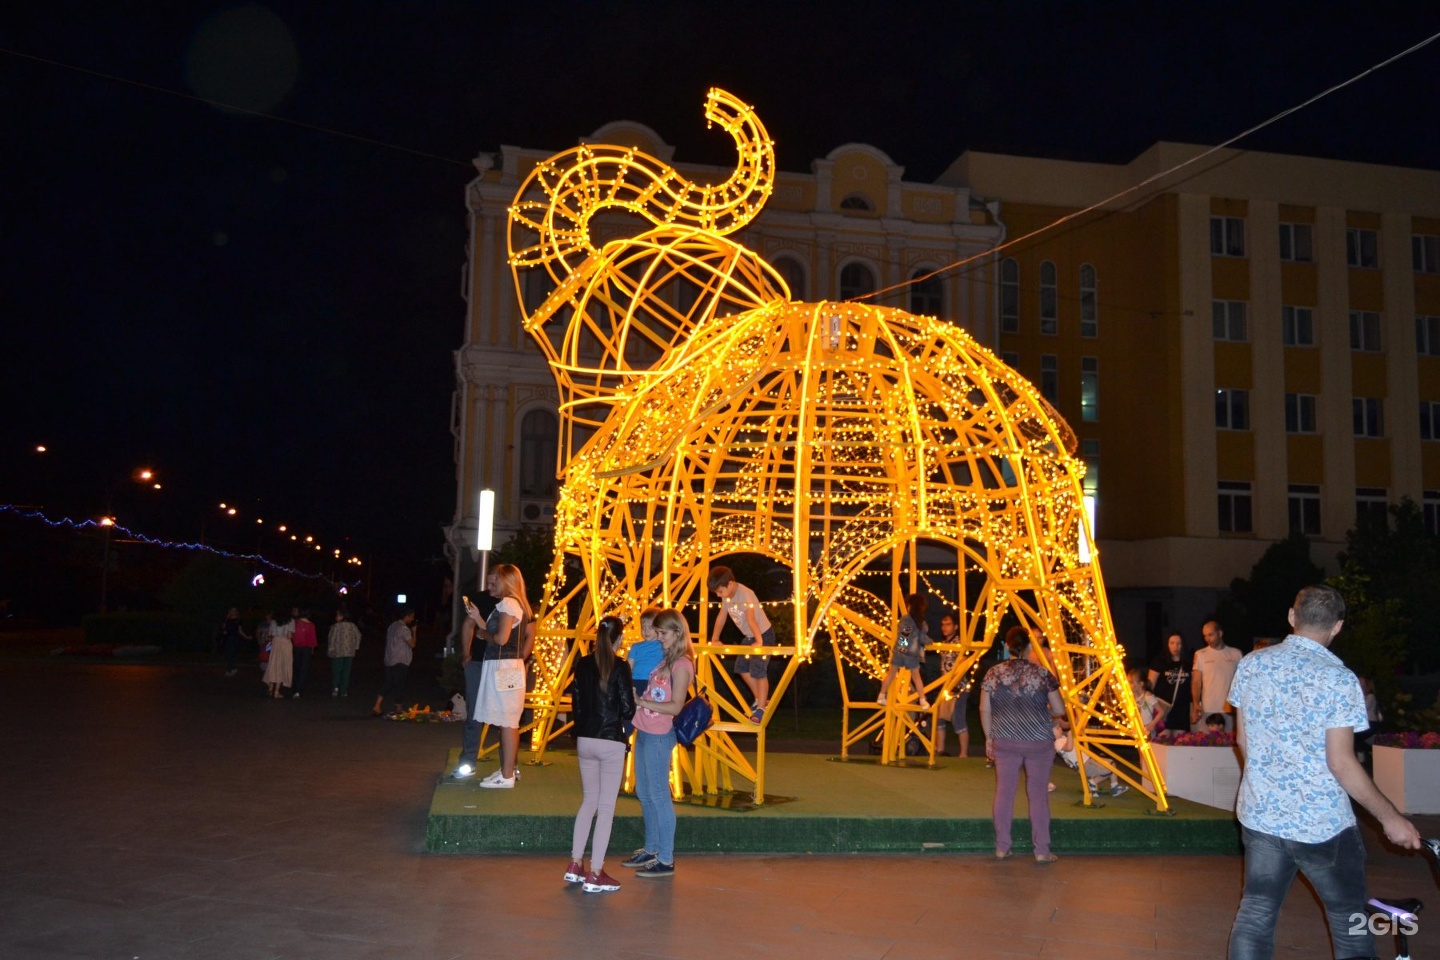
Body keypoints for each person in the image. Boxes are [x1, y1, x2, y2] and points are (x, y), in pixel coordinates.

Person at [1226, 584, 1421, 960]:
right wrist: (1390, 817)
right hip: (1322, 827)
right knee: (1349, 921)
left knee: (1255, 914)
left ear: (1291, 616)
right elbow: (1341, 762)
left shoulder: (1252, 664)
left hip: (1262, 816)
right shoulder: (1339, 679)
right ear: (1337, 627)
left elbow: (1243, 740)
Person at [980, 625, 1066, 863]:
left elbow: (984, 709)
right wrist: (1043, 717)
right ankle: (1041, 850)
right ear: (1029, 647)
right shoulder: (1043, 674)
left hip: (1005, 739)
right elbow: (1060, 709)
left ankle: (1002, 846)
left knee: (1004, 793)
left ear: (1008, 647)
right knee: (1038, 794)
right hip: (1038, 740)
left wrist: (989, 737)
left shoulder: (993, 674)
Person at [565, 615, 636, 894]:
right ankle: (595, 872)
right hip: (610, 741)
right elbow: (628, 709)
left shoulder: (582, 664)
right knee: (606, 808)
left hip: (585, 739)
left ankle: (574, 863)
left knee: (588, 802)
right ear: (618, 639)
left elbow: (577, 704)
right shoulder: (619, 666)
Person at [621, 607, 694, 879]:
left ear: (677, 633)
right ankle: (652, 850)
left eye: (662, 632)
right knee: (645, 792)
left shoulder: (682, 664)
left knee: (659, 795)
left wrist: (641, 702)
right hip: (645, 729)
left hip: (659, 735)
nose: (658, 636)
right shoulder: (666, 660)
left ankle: (665, 857)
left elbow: (675, 706)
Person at [470, 564, 534, 788]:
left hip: (504, 666)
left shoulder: (508, 603)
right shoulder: (513, 604)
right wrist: (479, 619)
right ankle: (507, 771)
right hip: (507, 666)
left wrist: (482, 632)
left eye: (493, 582)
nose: (489, 587)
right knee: (507, 720)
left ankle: (507, 775)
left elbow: (500, 639)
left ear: (505, 582)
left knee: (507, 721)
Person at [706, 566, 772, 723]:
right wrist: (715, 638)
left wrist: (759, 641)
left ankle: (761, 708)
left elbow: (751, 618)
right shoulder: (727, 597)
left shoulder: (745, 594)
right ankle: (761, 698)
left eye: (719, 591)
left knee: (758, 670)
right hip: (750, 636)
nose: (718, 595)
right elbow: (722, 617)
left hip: (763, 634)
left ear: (729, 584)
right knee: (741, 668)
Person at [877, 592, 930, 708]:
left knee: (891, 674)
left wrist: (901, 648)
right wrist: (930, 642)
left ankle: (881, 695)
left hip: (899, 652)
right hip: (911, 654)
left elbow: (903, 636)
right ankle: (922, 700)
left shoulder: (906, 619)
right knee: (917, 678)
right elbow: (922, 638)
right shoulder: (920, 622)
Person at [1191, 619, 1241, 731]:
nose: (1207, 639)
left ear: (1220, 633)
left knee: (1229, 746)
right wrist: (1195, 704)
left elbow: (1241, 682)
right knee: (1207, 745)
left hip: (1230, 710)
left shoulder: (1236, 654)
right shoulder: (1200, 654)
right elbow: (1196, 682)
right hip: (1208, 708)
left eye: (1210, 635)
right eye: (1205, 636)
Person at [934, 612, 970, 757]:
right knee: (939, 717)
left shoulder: (960, 643)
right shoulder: (943, 644)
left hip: (958, 687)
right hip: (945, 687)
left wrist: (955, 682)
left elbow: (965, 663)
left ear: (956, 626)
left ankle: (963, 754)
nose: (944, 627)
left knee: (958, 719)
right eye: (943, 624)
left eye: (948, 624)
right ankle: (940, 750)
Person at [373, 609, 416, 717]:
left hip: (390, 658)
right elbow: (412, 644)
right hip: (400, 659)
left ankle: (378, 704)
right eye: (412, 617)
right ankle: (398, 707)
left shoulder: (392, 626)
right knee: (399, 684)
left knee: (390, 682)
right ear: (406, 616)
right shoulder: (404, 629)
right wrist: (414, 632)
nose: (412, 619)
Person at [1147, 632, 1192, 732]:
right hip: (1163, 707)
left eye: (1178, 643)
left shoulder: (1188, 663)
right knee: (1162, 737)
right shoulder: (1159, 661)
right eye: (1172, 643)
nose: (1175, 646)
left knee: (1180, 739)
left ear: (1183, 645)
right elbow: (1150, 685)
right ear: (1167, 644)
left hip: (1182, 709)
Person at [628, 607, 664, 699]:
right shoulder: (635, 647)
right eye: (643, 627)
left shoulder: (664, 646)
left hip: (655, 682)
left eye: (650, 628)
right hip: (636, 681)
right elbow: (629, 667)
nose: (646, 631)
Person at [326, 607, 361, 697]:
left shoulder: (336, 626)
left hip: (338, 652)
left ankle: (336, 688)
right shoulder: (352, 626)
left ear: (342, 616)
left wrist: (330, 650)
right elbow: (358, 636)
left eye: (337, 615)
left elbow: (331, 638)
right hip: (349, 652)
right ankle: (344, 690)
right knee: (346, 671)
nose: (336, 617)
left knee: (337, 671)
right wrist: (355, 647)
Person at [263, 611, 294, 699]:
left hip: (275, 643)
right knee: (282, 666)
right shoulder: (290, 621)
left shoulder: (273, 621)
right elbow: (289, 636)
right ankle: (276, 691)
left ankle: (270, 686)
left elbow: (270, 634)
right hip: (285, 644)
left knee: (273, 665)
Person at [1126, 666, 1166, 737]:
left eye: (1131, 682)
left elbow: (1161, 711)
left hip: (1147, 730)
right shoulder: (1133, 696)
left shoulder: (1148, 696)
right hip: (1138, 730)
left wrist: (1152, 724)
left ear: (1141, 684)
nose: (1129, 685)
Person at [290, 608, 317, 699]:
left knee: (296, 668)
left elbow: (292, 636)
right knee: (303, 669)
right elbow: (312, 639)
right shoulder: (311, 625)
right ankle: (299, 690)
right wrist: (312, 650)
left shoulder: (295, 623)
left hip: (296, 648)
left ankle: (294, 688)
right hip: (306, 649)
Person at [218, 607, 249, 677]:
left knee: (231, 654)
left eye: (235, 610)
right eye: (232, 610)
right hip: (227, 638)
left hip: (234, 638)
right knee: (227, 654)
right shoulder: (227, 620)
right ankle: (232, 668)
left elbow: (239, 630)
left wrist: (246, 636)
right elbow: (224, 628)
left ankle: (230, 669)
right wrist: (224, 631)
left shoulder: (238, 620)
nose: (233, 612)